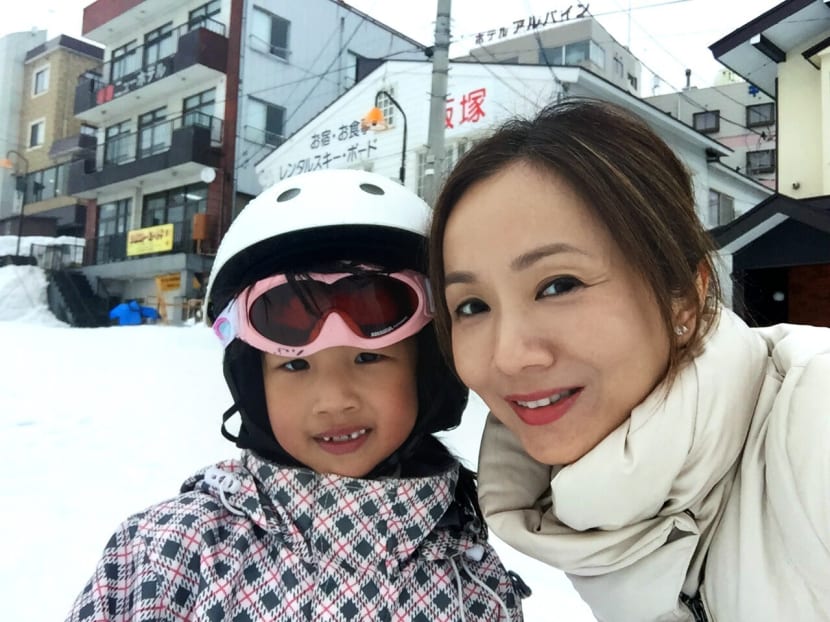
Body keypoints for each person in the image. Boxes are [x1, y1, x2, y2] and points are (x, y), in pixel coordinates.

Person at [427, 98, 830, 621]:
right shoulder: (579, 507)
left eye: (558, 285)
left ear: (684, 294)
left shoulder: (812, 421)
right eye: (472, 306)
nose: (508, 356)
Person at [66, 169, 527, 621]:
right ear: (251, 384)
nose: (333, 400)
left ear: (428, 376)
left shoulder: (474, 578)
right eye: (294, 364)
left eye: (368, 359)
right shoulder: (168, 553)